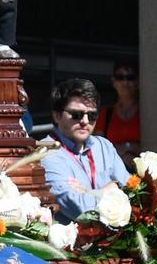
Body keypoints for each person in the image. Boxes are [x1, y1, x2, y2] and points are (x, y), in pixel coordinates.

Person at [42, 78, 129, 223]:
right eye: (76, 115)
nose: (85, 121)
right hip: (71, 242)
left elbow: (132, 191)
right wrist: (110, 189)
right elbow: (81, 210)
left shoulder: (103, 146)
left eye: (92, 115)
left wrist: (89, 193)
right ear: (57, 115)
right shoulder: (47, 152)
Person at [99, 58, 141, 157]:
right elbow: (98, 148)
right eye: (120, 77)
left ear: (138, 82)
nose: (125, 82)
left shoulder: (145, 112)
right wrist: (129, 147)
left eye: (130, 77)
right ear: (113, 81)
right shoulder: (105, 114)